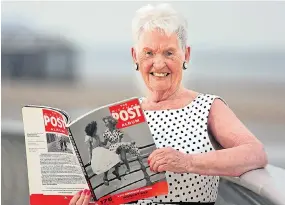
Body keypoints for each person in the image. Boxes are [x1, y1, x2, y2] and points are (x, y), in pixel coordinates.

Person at [69, 3, 268, 205]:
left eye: (169, 53)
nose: (158, 63)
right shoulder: (124, 114)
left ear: (186, 55)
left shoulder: (207, 106)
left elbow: (255, 153)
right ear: (134, 56)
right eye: (148, 53)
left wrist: (188, 162)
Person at [101, 116, 152, 186]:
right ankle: (106, 177)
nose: (105, 124)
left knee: (123, 158)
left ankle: (127, 168)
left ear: (110, 122)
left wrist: (118, 147)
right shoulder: (106, 133)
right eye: (105, 122)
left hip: (120, 146)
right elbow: (105, 143)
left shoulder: (118, 130)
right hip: (113, 147)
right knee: (109, 161)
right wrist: (99, 143)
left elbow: (119, 141)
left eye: (106, 122)